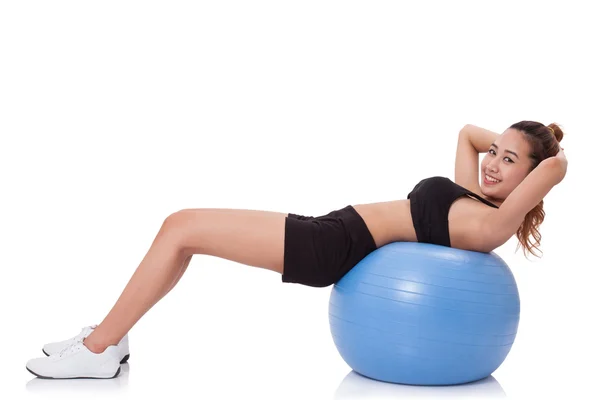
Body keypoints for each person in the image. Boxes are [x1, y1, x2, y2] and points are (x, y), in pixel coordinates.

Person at [25, 120, 567, 379]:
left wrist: (546, 152)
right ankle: (108, 342)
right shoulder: (472, 196)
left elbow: (556, 166)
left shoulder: (492, 226)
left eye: (509, 160)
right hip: (332, 226)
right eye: (494, 153)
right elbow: (467, 134)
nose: (491, 161)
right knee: (182, 234)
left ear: (532, 178)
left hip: (331, 246)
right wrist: (511, 141)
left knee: (179, 227)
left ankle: (98, 349)